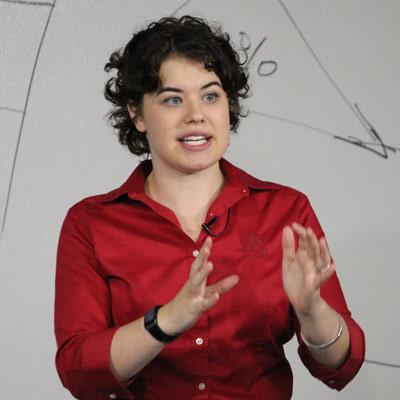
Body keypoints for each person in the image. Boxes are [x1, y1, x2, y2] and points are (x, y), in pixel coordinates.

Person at [54, 15, 365, 400]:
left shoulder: (286, 211)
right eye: (172, 99)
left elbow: (341, 365)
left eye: (211, 95)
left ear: (228, 105)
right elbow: (79, 371)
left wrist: (312, 311)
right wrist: (165, 321)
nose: (196, 115)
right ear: (136, 113)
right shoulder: (91, 223)